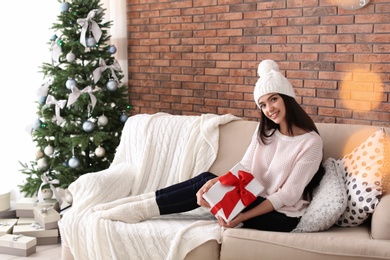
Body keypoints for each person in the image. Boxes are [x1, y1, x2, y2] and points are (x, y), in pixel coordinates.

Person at [94, 59, 325, 232]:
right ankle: (136, 203)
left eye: (274, 99)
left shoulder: (310, 142)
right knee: (207, 178)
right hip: (252, 196)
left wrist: (240, 217)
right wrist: (218, 183)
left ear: (288, 98)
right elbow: (245, 167)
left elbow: (288, 195)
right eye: (263, 104)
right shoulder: (265, 131)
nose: (269, 109)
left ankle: (139, 210)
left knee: (209, 182)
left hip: (281, 215)